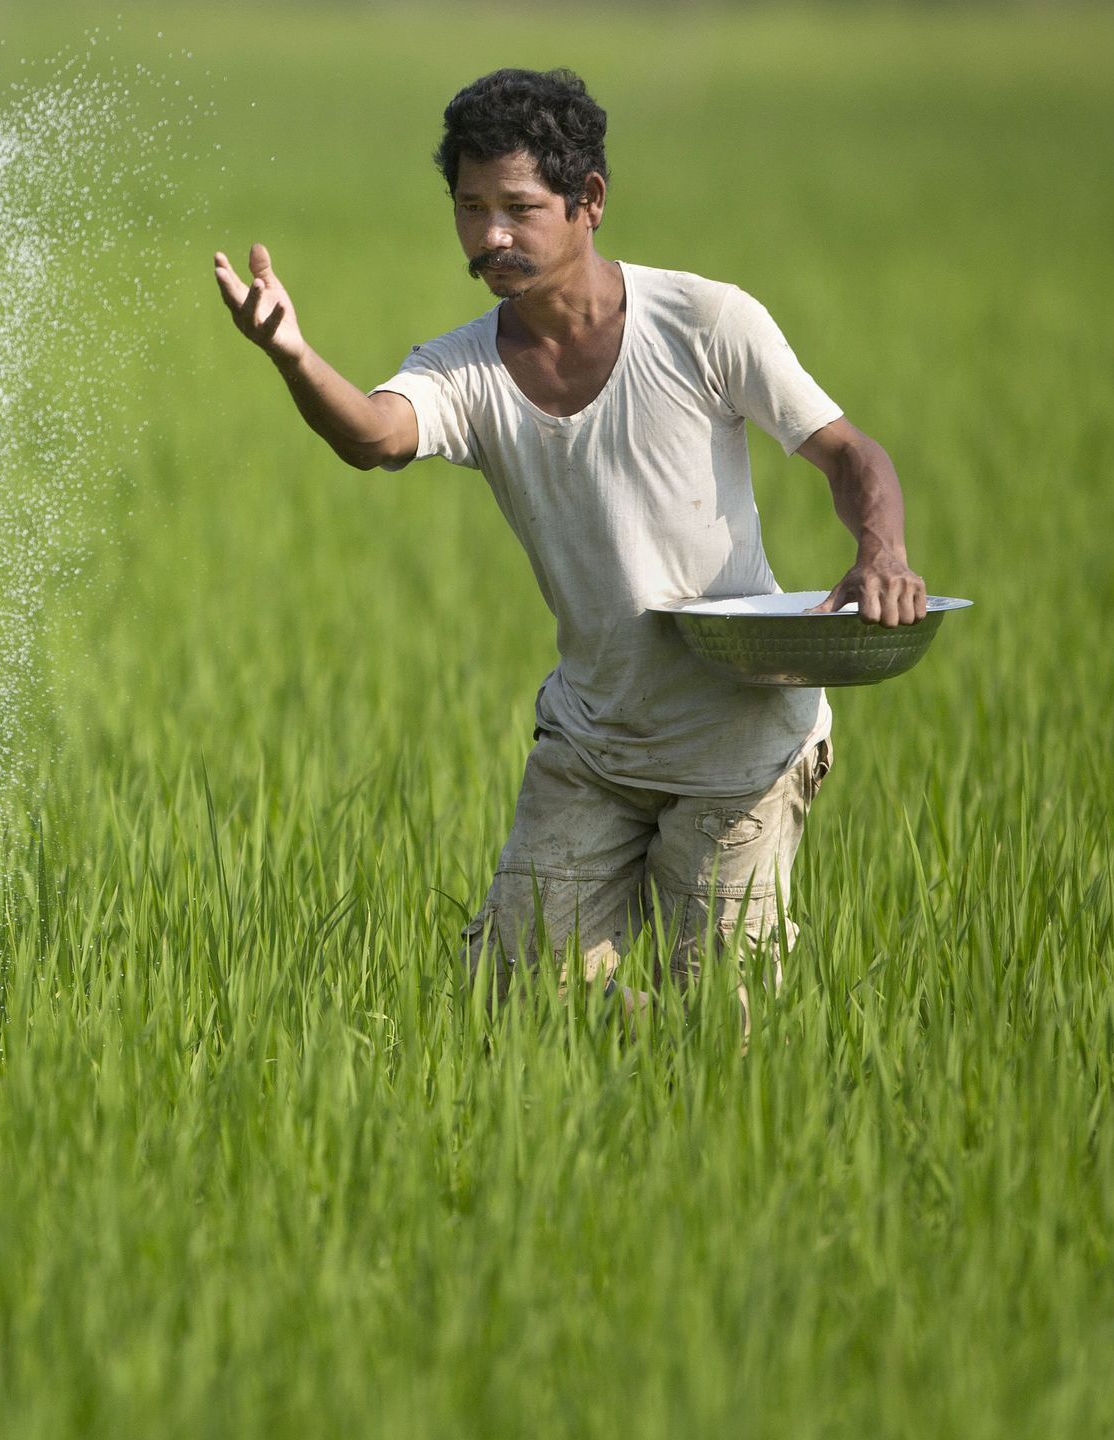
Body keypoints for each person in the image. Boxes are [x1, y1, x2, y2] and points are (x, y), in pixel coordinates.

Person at [212, 66, 927, 1023]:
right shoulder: (464, 367)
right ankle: (633, 1071)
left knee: (725, 1023)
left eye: (518, 207)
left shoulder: (703, 322)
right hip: (593, 740)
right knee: (509, 997)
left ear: (588, 201)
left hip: (740, 743)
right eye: (470, 208)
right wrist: (293, 356)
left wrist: (881, 550)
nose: (490, 236)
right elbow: (375, 437)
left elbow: (850, 456)